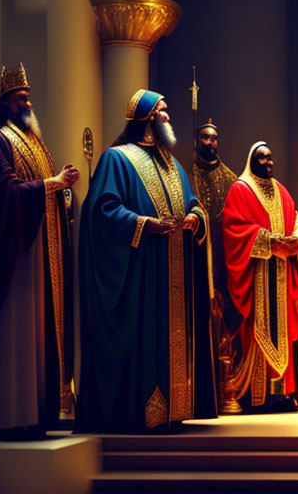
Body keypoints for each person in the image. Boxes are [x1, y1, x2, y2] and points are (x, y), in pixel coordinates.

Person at [77, 89, 216, 433]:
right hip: (143, 274)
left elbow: (192, 201)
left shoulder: (173, 165)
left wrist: (196, 218)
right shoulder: (117, 159)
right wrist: (145, 225)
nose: (169, 116)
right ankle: (142, 411)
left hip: (174, 272)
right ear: (147, 117)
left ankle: (177, 407)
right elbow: (103, 212)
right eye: (163, 110)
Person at [0, 64, 79, 437]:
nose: (27, 103)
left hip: (36, 259)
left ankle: (34, 415)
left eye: (28, 98)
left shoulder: (33, 144)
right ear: (4, 104)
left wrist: (64, 196)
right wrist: (52, 184)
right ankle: (7, 418)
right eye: (19, 98)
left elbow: (41, 193)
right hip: (13, 256)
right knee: (14, 340)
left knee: (37, 341)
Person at [223, 142, 298, 412]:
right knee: (257, 334)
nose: (268, 163)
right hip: (257, 280)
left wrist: (296, 242)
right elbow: (233, 228)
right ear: (252, 160)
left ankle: (281, 395)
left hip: (281, 280)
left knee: (282, 333)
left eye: (270, 158)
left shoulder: (281, 191)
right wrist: (269, 242)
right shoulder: (241, 189)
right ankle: (255, 396)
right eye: (262, 158)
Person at [190, 118, 239, 411]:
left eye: (214, 138)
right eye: (205, 138)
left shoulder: (232, 180)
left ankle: (228, 389)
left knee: (226, 325)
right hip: (198, 260)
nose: (210, 143)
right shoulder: (186, 175)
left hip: (224, 261)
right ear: (197, 141)